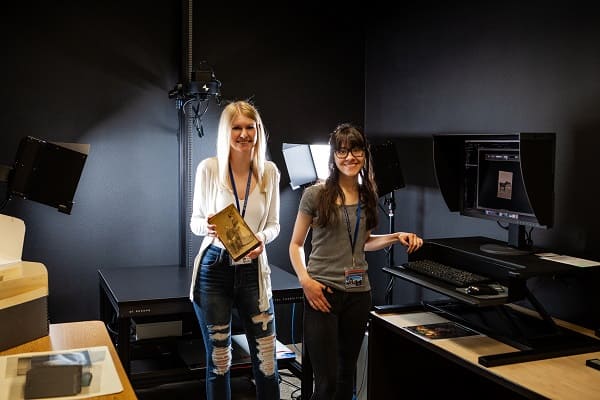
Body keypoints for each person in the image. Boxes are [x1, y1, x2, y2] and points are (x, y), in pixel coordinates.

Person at [289, 123, 423, 400]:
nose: (350, 157)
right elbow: (296, 244)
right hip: (321, 293)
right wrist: (306, 282)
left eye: (356, 150)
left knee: (345, 378)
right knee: (324, 384)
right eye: (343, 151)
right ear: (334, 156)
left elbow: (364, 242)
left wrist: (397, 236)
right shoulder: (315, 194)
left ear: (364, 154)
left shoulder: (367, 195)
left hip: (358, 294)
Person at [189, 100, 281, 400]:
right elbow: (195, 221)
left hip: (254, 270)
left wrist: (261, 238)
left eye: (249, 127)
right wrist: (209, 227)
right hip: (214, 268)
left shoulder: (269, 172)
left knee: (267, 361)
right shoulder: (209, 168)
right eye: (236, 128)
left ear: (258, 131)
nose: (244, 134)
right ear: (226, 132)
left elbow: (275, 225)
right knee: (219, 362)